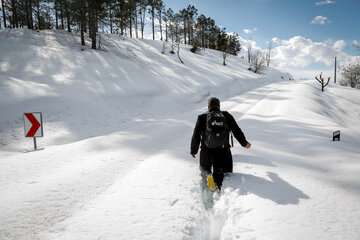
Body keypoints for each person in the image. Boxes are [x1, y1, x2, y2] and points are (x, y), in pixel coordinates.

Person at [190, 97, 251, 190]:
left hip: (206, 150)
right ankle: (220, 191)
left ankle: (208, 181)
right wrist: (244, 143)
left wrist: (193, 150)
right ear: (219, 106)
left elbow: (196, 135)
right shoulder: (226, 116)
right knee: (223, 173)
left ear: (208, 106)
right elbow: (236, 130)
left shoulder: (202, 117)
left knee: (205, 170)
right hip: (223, 150)